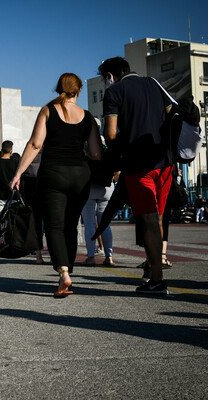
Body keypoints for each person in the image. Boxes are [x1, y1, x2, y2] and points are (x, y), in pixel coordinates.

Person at [10, 72, 102, 298]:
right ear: (79, 91)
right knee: (71, 225)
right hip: (81, 176)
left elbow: (35, 143)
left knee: (54, 225)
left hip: (53, 175)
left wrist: (18, 173)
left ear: (58, 88)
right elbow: (96, 153)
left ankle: (63, 272)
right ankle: (68, 269)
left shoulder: (48, 111)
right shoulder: (88, 117)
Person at [99, 57, 173, 295]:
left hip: (139, 166)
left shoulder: (114, 92)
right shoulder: (154, 83)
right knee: (158, 218)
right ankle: (154, 267)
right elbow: (171, 114)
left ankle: (157, 280)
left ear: (110, 76)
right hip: (165, 163)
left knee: (148, 221)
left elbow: (110, 135)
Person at [0, 140, 18, 220]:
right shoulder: (15, 163)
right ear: (11, 150)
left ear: (2, 149)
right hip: (12, 195)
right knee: (13, 221)